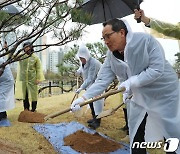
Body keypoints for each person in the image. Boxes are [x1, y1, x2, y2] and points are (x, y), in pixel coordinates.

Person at [71, 18, 180, 154]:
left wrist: (131, 82)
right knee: (136, 134)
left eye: (108, 36)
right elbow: (101, 80)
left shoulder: (145, 41)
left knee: (169, 132)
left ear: (122, 32)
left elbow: (156, 69)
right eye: (103, 38)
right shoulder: (111, 57)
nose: (106, 41)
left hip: (164, 93)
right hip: (138, 97)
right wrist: (83, 98)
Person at [75, 44, 104, 129]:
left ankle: (97, 121)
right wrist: (78, 71)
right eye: (80, 59)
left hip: (98, 85)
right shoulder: (84, 62)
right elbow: (82, 68)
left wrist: (81, 88)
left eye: (82, 58)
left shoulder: (94, 63)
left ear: (86, 56)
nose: (81, 60)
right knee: (91, 102)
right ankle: (94, 118)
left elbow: (90, 78)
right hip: (90, 85)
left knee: (97, 102)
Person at [15, 42, 45, 112]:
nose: (27, 48)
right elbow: (12, 57)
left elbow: (38, 68)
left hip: (32, 80)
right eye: (25, 47)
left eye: (28, 47)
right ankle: (26, 110)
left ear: (31, 47)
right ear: (23, 48)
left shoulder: (35, 57)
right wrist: (7, 49)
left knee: (34, 95)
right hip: (23, 80)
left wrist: (38, 78)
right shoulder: (21, 56)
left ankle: (33, 110)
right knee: (25, 96)